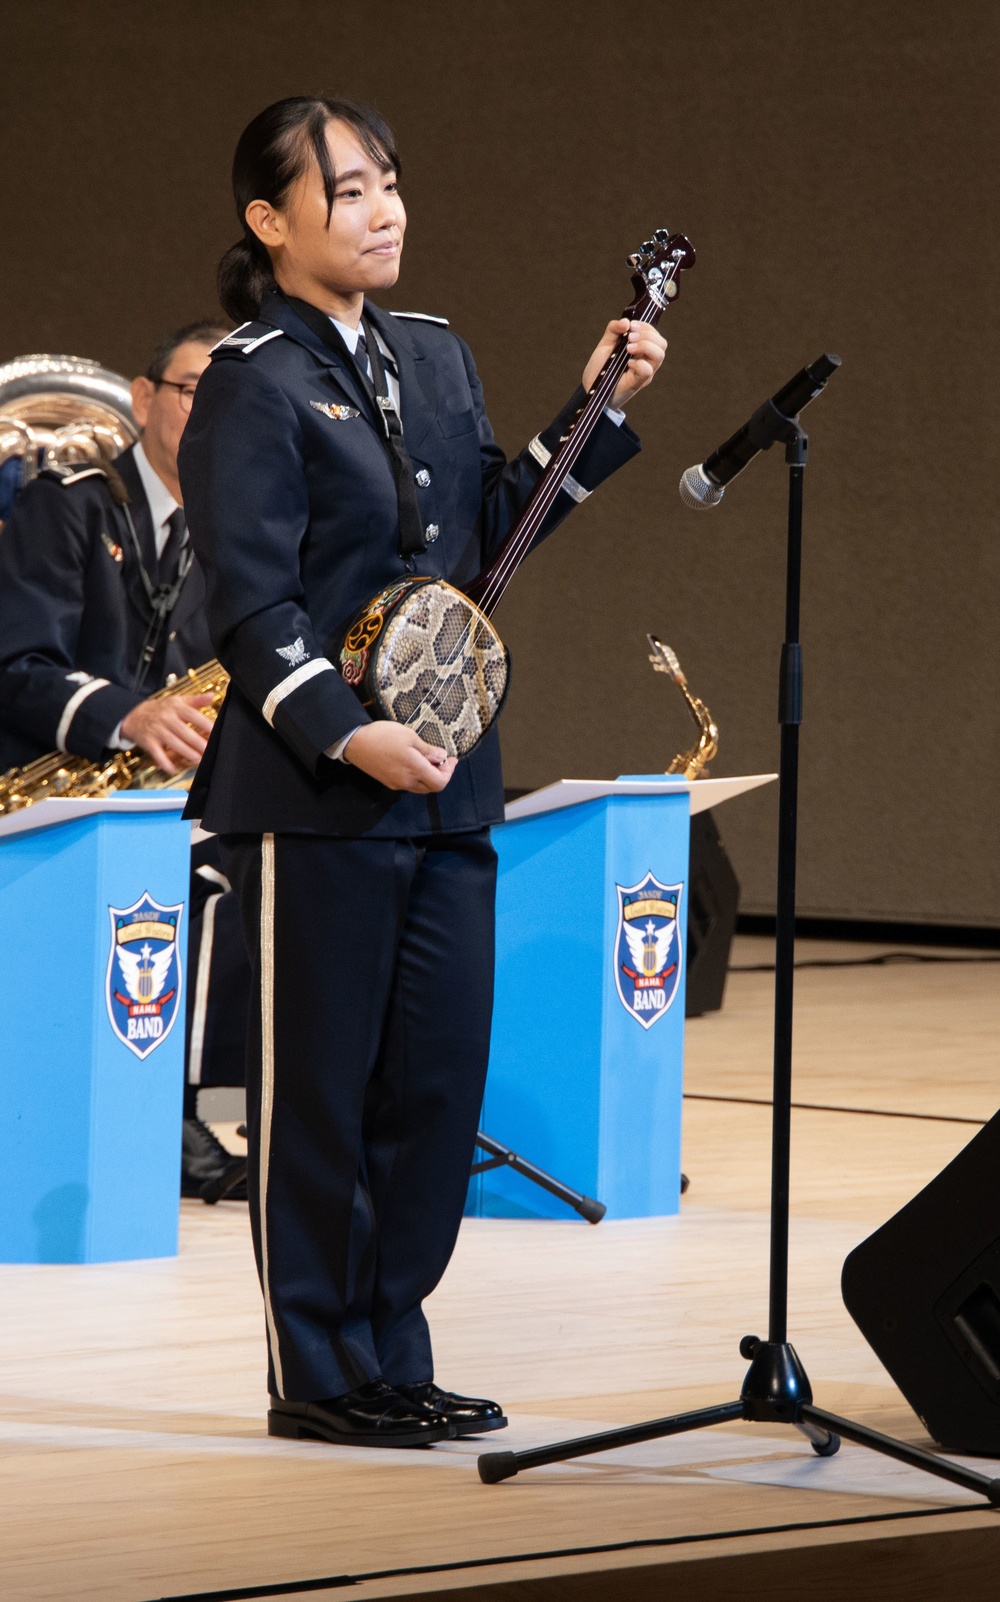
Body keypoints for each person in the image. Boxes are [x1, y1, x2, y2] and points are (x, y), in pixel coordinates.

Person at [179, 94, 667, 1449]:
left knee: (433, 1085)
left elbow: (490, 546)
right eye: (345, 191)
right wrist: (347, 728)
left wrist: (595, 408)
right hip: (318, 793)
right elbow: (251, 606)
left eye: (389, 181)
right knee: (323, 1094)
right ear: (270, 222)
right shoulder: (250, 378)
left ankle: (395, 1345)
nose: (381, 209)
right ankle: (321, 1373)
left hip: (451, 782)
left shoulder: (436, 358)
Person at [0, 322, 251, 1202]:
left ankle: (273, 1104)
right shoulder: (66, 502)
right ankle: (168, 1109)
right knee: (212, 880)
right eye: (194, 391)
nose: (213, 415)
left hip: (163, 796)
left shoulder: (238, 529)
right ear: (143, 400)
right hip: (47, 786)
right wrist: (129, 716)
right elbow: (17, 664)